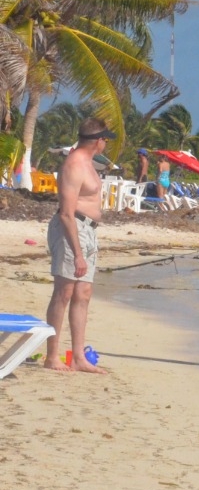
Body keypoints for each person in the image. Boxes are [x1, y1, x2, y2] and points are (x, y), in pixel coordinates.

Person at [44, 118, 115, 373]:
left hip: (89, 230)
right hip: (71, 229)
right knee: (64, 292)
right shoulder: (74, 164)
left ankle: (77, 356)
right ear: (98, 140)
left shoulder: (89, 163)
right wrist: (77, 254)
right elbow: (65, 212)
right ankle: (52, 356)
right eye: (106, 139)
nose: (106, 143)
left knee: (83, 293)